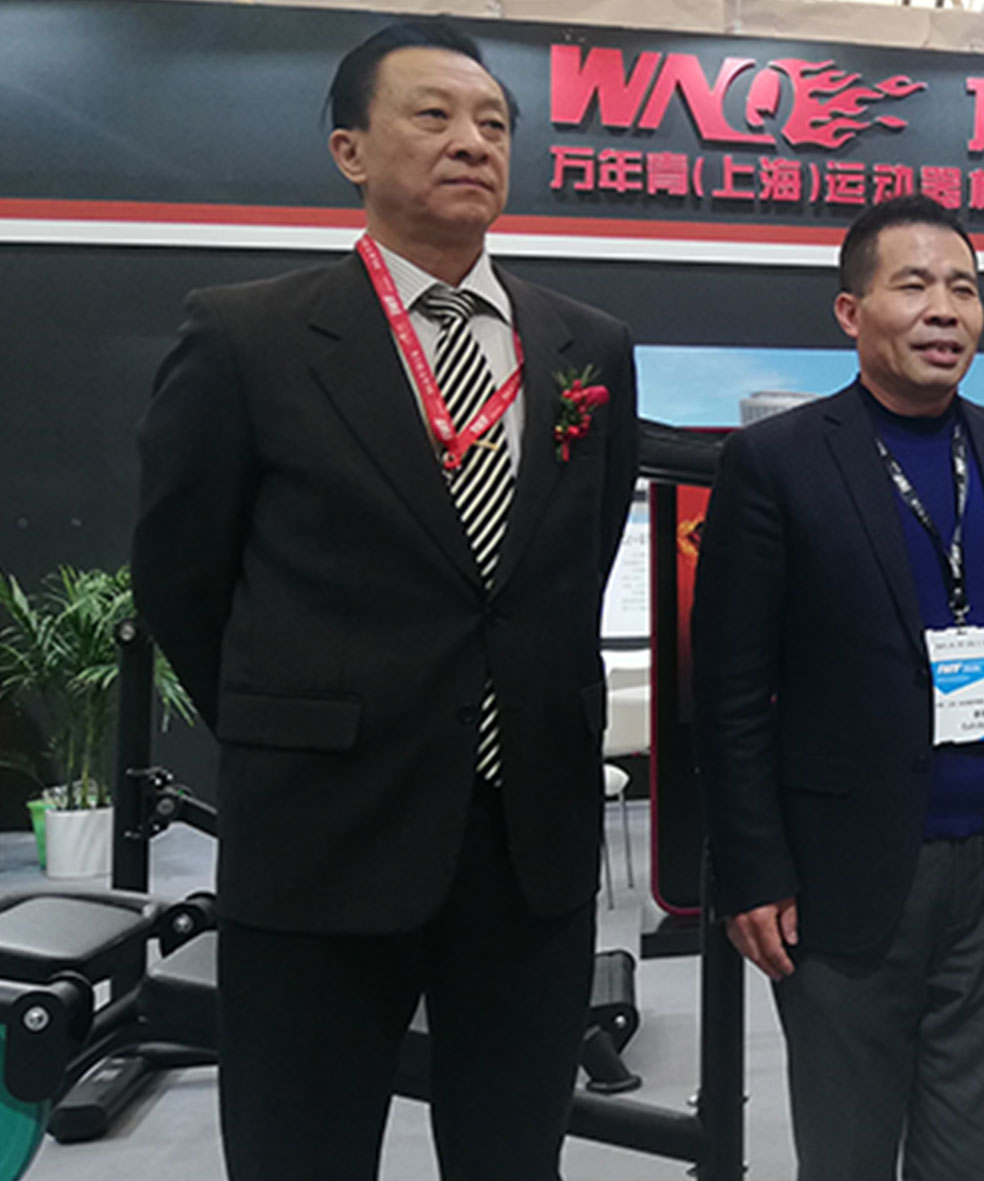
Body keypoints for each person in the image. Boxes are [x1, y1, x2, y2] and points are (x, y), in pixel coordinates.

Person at [131, 21, 638, 1179]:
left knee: (514, 1153)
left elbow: (572, 559)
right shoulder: (249, 334)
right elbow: (181, 574)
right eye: (434, 115)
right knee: (301, 1150)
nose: (472, 142)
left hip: (528, 836)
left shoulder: (587, 346)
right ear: (350, 150)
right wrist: (300, 721)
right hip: (326, 829)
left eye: (494, 123)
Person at [693, 194, 984, 1180]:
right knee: (847, 1151)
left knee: (982, 1157)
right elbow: (728, 689)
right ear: (850, 311)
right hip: (840, 874)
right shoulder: (775, 462)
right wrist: (752, 868)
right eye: (914, 285)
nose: (944, 309)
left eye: (964, 289)